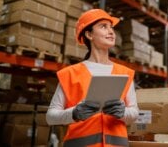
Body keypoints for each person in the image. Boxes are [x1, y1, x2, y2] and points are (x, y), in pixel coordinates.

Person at [46, 9, 139, 147]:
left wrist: (123, 112)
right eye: (103, 27)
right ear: (89, 34)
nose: (111, 32)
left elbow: (134, 113)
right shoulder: (71, 74)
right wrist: (74, 113)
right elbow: (50, 117)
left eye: (111, 27)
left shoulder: (124, 73)